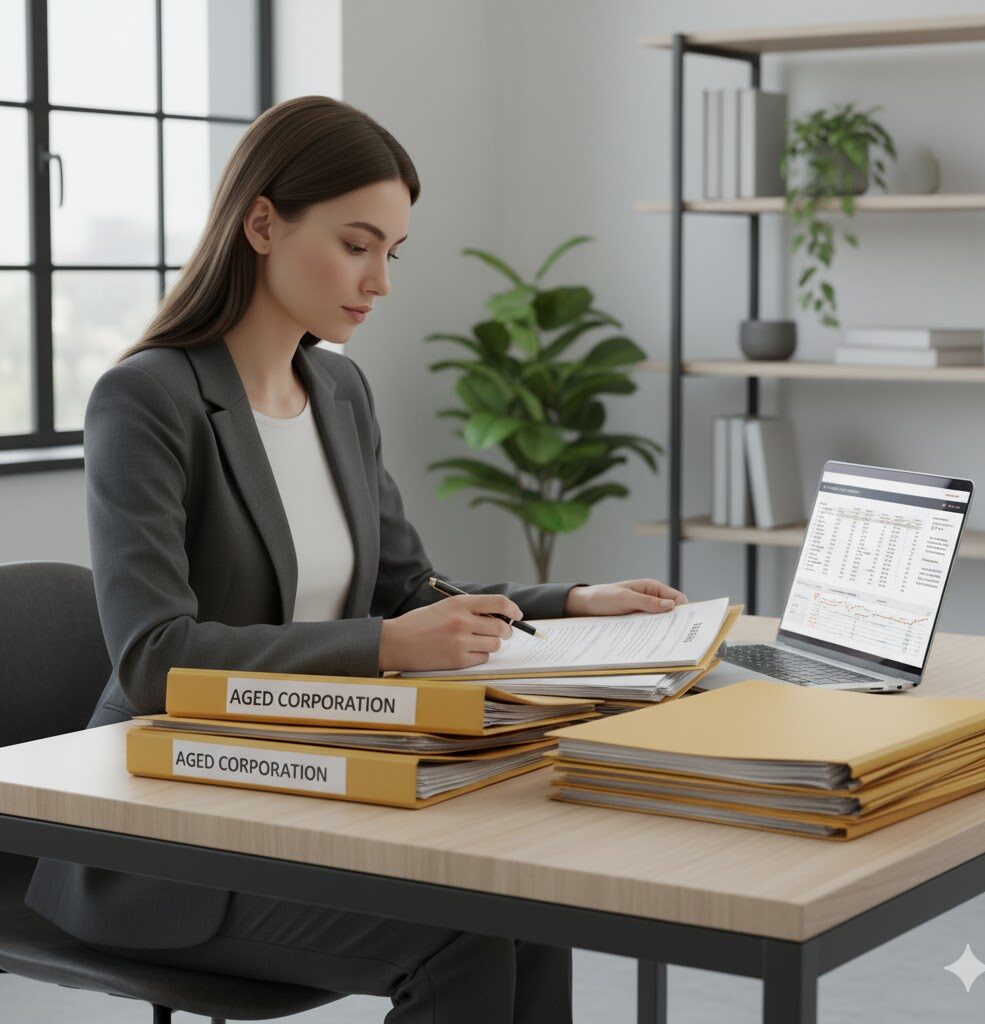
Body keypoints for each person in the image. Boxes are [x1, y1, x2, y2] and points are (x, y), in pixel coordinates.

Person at [24, 95, 687, 1023]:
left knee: (538, 906)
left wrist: (571, 599)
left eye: (392, 252)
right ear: (262, 223)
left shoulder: (336, 387)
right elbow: (154, 658)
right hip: (164, 837)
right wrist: (384, 647)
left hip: (310, 781)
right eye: (356, 243)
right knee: (464, 936)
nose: (379, 281)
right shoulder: (146, 401)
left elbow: (407, 591)